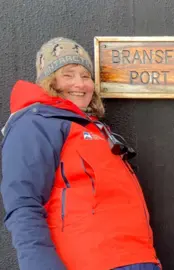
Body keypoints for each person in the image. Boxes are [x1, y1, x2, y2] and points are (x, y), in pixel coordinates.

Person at [1, 37, 161, 270]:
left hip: (137, 259)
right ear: (49, 81)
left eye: (86, 76)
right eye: (68, 74)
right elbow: (23, 204)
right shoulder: (35, 124)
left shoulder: (93, 128)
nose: (80, 83)